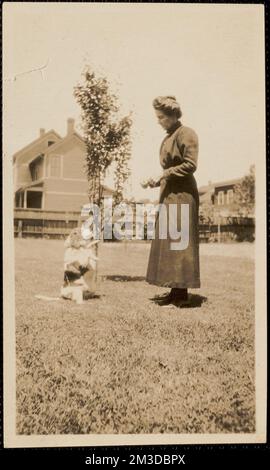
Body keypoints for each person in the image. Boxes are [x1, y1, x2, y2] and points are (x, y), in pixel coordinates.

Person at [141, 96, 200, 306]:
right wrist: (155, 180)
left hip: (183, 195)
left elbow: (190, 165)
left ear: (173, 115)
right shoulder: (169, 136)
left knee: (180, 242)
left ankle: (182, 294)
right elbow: (169, 170)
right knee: (170, 242)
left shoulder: (187, 133)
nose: (159, 121)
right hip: (170, 194)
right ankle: (174, 291)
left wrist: (164, 174)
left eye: (161, 117)